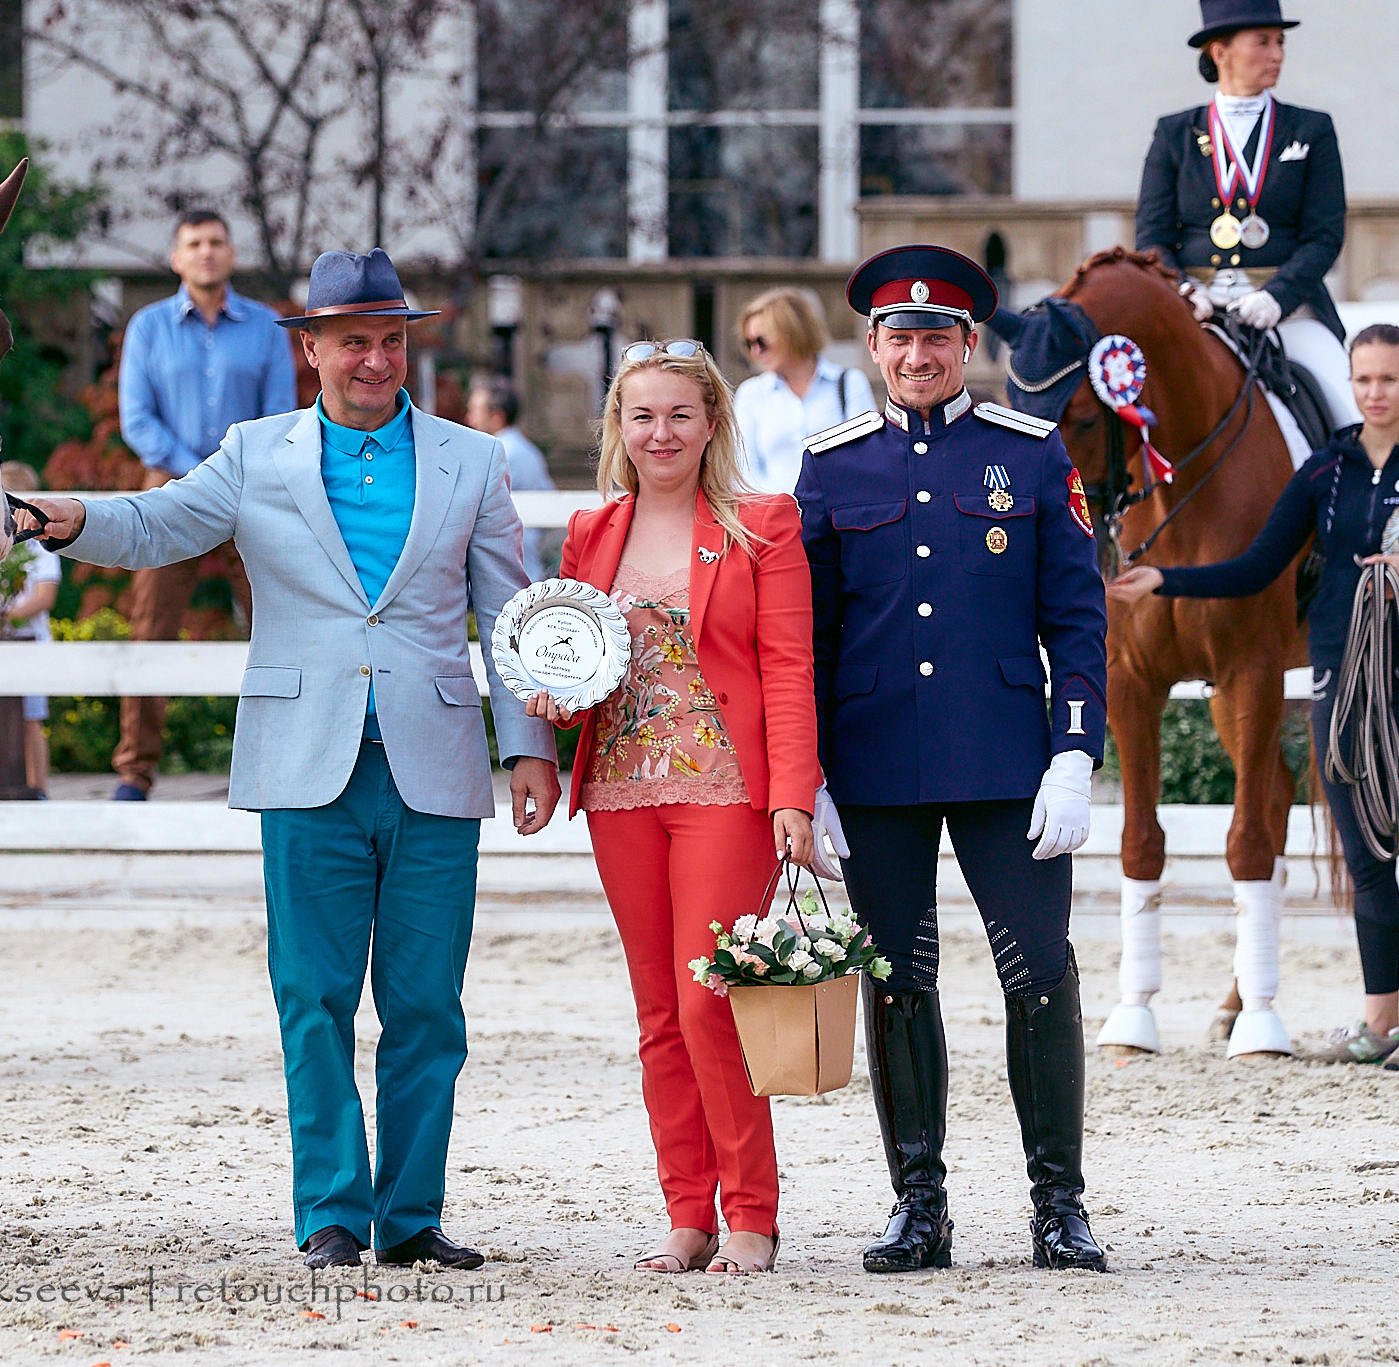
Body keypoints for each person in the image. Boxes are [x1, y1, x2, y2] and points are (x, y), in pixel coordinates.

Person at [24, 248, 554, 1272]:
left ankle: (409, 1217)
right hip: (303, 762)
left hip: (435, 762)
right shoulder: (254, 451)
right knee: (311, 1000)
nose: (374, 359)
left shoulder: (471, 461)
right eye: (352, 340)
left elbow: (508, 614)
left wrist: (527, 746)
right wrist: (54, 514)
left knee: (426, 1007)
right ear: (309, 349)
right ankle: (330, 1215)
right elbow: (157, 524)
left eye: (391, 340)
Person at [795, 244, 1111, 1275]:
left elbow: (1074, 619)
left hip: (1004, 757)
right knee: (897, 979)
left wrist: (1073, 752)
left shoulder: (1028, 454)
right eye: (900, 336)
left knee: (1038, 971)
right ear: (874, 347)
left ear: (969, 345)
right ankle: (917, 1204)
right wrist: (812, 777)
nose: (918, 352)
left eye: (938, 336)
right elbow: (811, 637)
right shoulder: (833, 466)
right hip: (875, 764)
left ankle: (1057, 1206)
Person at [514, 341, 818, 1277]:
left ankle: (751, 1214)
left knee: (708, 1001)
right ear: (618, 427)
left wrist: (793, 798)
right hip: (618, 792)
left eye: (680, 414)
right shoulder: (591, 531)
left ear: (713, 423)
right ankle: (686, 1214)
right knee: (656, 1012)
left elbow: (787, 669)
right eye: (641, 415)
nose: (660, 432)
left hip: (727, 793)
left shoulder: (764, 524)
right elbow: (575, 663)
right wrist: (551, 701)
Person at [1110, 322, 1399, 1071]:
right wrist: (1165, 579)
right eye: (1366, 380)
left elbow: (1320, 229)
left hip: (1288, 316)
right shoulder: (1328, 471)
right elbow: (1259, 563)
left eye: (1388, 381)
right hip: (1345, 665)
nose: (1374, 393)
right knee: (1363, 837)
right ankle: (1381, 1017)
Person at [111, 208, 296, 801]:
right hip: (170, 497)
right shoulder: (148, 327)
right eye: (194, 242)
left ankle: (290, 761)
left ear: (232, 253)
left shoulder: (267, 326)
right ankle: (135, 772)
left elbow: (279, 417)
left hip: (254, 497)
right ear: (176, 258)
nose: (207, 252)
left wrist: (231, 478)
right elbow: (137, 421)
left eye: (217, 241)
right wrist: (203, 477)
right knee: (151, 629)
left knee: (282, 626)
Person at [1136, 0, 1359, 432]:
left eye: (1280, 42)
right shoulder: (1174, 133)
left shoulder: (1312, 129)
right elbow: (1152, 236)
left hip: (1288, 313)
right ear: (1220, 52)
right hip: (1196, 310)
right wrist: (1183, 291)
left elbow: (1325, 235)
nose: (1277, 54)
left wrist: (1278, 297)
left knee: (1349, 411)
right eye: (1263, 42)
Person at [732, 287, 874, 494]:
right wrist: (783, 508)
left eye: (761, 341)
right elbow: (744, 471)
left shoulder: (849, 383)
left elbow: (865, 459)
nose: (755, 351)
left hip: (837, 519)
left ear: (791, 332)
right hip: (773, 519)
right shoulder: (751, 394)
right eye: (749, 343)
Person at [0, 461, 62, 798]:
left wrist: (4, 617)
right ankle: (4, 785)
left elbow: (44, 596)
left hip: (29, 641)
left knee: (30, 719)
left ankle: (38, 787)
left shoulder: (39, 544)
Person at [465, 374, 555, 579]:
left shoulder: (502, 452)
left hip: (512, 560)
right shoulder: (524, 448)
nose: (469, 419)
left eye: (475, 412)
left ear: (497, 416)